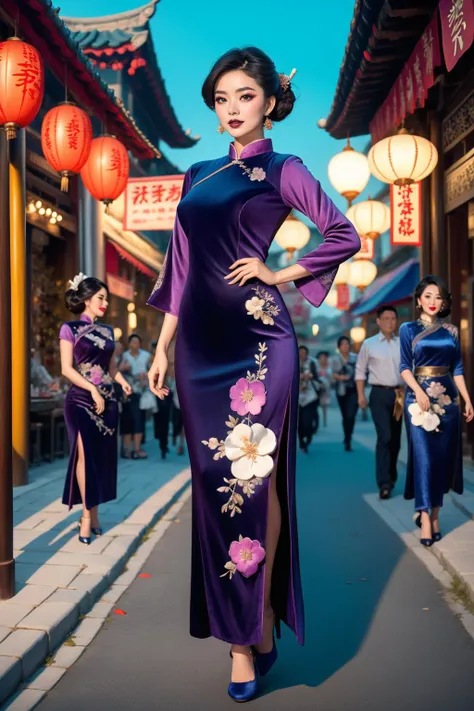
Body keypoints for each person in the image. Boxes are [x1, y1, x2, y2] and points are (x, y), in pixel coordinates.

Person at [146, 47, 359, 702]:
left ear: (269, 101)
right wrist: (160, 347)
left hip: (260, 343)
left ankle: (247, 630)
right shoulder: (196, 176)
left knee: (254, 479)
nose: (232, 108)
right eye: (221, 98)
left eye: (244, 95)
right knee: (213, 484)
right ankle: (254, 619)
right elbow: (180, 270)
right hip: (197, 353)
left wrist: (278, 273)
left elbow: (341, 232)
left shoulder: (283, 168)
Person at [399, 276, 473, 546]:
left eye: (438, 297)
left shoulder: (452, 331)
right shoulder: (408, 329)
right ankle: (425, 518)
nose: (433, 302)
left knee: (442, 461)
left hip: (448, 402)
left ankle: (436, 514)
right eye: (428, 296)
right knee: (423, 459)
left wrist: (466, 399)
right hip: (417, 402)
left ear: (443, 302)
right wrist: (418, 391)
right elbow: (405, 367)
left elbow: (458, 369)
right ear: (419, 300)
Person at [59, 274, 132, 544]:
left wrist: (123, 383)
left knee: (100, 459)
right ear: (86, 299)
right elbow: (66, 369)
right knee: (85, 457)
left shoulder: (109, 331)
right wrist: (91, 389)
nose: (105, 303)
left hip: (108, 401)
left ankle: (95, 514)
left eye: (106, 299)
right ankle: (86, 518)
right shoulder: (69, 329)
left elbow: (110, 369)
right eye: (100, 298)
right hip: (80, 400)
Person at [355, 305, 404, 499]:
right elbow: (360, 370)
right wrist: (361, 395)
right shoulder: (369, 344)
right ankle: (384, 483)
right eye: (386, 318)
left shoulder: (403, 343)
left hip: (399, 395)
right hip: (378, 394)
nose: (390, 322)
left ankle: (391, 476)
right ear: (378, 321)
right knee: (385, 436)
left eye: (393, 318)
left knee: (396, 440)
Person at [119, 334, 152, 459]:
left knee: (139, 420)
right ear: (129, 344)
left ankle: (137, 448)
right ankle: (127, 449)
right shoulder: (124, 356)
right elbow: (118, 371)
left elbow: (152, 370)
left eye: (137, 342)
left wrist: (146, 377)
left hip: (141, 391)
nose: (135, 344)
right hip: (126, 391)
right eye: (132, 342)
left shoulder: (146, 356)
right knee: (127, 419)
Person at [332, 336, 358, 451]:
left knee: (351, 415)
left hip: (354, 389)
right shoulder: (335, 359)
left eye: (347, 344)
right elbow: (332, 374)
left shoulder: (356, 358)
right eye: (343, 344)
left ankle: (349, 437)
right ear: (339, 347)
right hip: (341, 390)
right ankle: (346, 436)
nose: (345, 346)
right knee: (345, 415)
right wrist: (341, 377)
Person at [298, 345, 320, 452]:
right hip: (297, 397)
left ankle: (309, 436)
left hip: (310, 396)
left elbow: (317, 377)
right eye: (300, 353)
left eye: (304, 353)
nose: (302, 355)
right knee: (299, 422)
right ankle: (302, 441)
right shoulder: (293, 362)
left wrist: (310, 376)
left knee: (308, 421)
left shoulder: (312, 363)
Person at [316, 350, 332, 427]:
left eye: (325, 358)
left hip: (325, 389)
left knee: (324, 405)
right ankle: (317, 420)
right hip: (317, 389)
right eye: (321, 358)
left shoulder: (329, 368)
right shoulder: (316, 367)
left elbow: (331, 379)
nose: (323, 359)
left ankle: (324, 420)